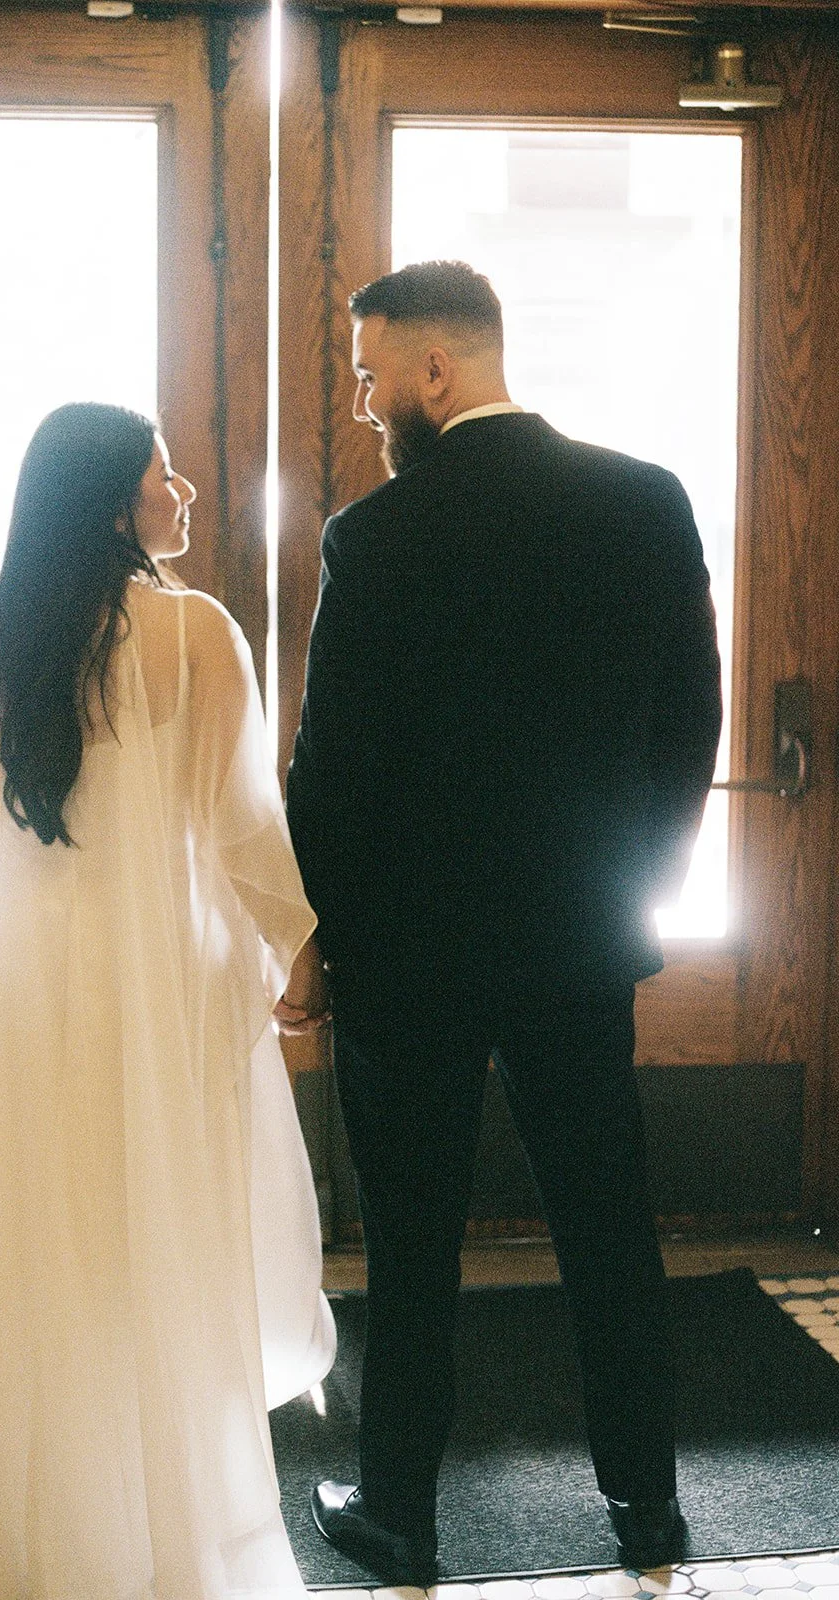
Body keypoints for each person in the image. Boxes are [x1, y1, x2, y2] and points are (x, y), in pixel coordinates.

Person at [284, 261, 723, 1584]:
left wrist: (323, 936)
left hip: (408, 956)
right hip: (578, 939)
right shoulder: (645, 502)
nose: (364, 403)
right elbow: (689, 723)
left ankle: (400, 1515)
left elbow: (331, 768)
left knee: (411, 1242)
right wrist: (634, 881)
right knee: (607, 1225)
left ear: (436, 369)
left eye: (370, 374)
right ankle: (646, 1507)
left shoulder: (375, 537)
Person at [0, 402, 335, 1600]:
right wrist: (296, 955)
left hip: (15, 994)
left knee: (35, 1247)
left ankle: (36, 1542)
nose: (181, 492)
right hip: (150, 994)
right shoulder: (193, 632)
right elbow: (242, 829)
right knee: (154, 1241)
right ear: (108, 502)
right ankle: (162, 1543)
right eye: (160, 474)